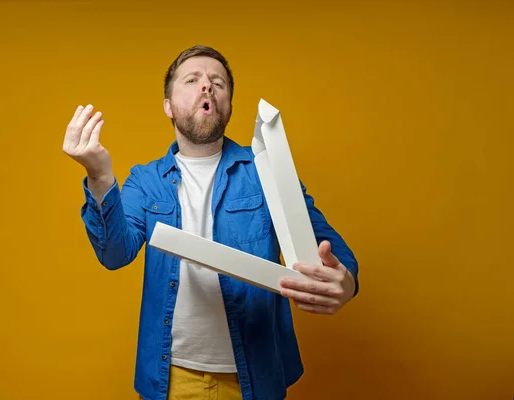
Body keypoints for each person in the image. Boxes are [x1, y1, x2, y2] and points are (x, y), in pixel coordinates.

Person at [62, 45, 359, 400]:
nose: (207, 87)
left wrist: (346, 282)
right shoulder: (144, 181)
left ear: (229, 105)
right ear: (168, 106)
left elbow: (326, 244)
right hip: (170, 379)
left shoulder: (267, 170)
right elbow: (114, 254)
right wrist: (99, 177)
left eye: (217, 82)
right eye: (193, 79)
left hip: (256, 378)